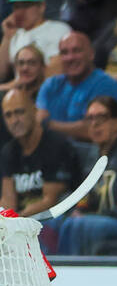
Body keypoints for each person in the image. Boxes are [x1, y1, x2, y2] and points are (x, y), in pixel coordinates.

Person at [56, 95, 117, 255]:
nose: (95, 124)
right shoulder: (93, 156)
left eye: (102, 117)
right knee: (52, 222)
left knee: (76, 225)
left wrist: (92, 216)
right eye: (90, 118)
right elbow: (85, 196)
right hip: (96, 221)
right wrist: (78, 210)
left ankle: (66, 274)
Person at [0, 87, 81, 251]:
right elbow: (8, 200)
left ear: (34, 111)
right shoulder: (9, 151)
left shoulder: (56, 145)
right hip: (22, 221)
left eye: (19, 112)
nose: (14, 120)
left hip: (54, 218)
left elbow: (49, 201)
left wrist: (17, 223)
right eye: (8, 115)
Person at [35, 31, 117, 142]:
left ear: (91, 54)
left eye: (76, 51)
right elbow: (37, 121)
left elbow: (95, 129)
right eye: (64, 53)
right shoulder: (50, 85)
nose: (70, 58)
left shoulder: (105, 85)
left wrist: (48, 124)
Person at [0, 0, 69, 84]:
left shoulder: (58, 29)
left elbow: (53, 76)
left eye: (26, 6)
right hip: (18, 92)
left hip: (45, 92)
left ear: (41, 7)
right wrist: (7, 37)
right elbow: (1, 74)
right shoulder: (16, 34)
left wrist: (8, 87)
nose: (20, 12)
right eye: (17, 7)